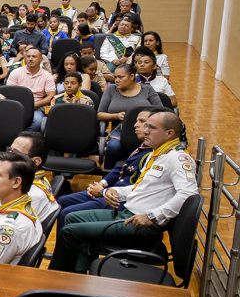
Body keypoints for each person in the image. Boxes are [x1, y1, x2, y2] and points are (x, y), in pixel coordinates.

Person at [49, 111, 195, 274]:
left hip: (141, 226)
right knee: (71, 217)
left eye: (151, 128)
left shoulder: (178, 159)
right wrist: (111, 191)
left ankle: (56, 276)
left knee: (70, 232)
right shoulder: (156, 155)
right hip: (126, 214)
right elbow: (139, 189)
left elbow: (188, 195)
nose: (145, 131)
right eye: (145, 126)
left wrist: (152, 216)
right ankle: (79, 273)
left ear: (169, 134)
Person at [55, 109, 156, 231]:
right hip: (109, 191)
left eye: (141, 121)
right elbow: (121, 168)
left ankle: (71, 248)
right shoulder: (143, 147)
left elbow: (136, 188)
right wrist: (102, 184)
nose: (135, 125)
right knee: (62, 200)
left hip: (118, 200)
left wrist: (103, 191)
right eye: (136, 121)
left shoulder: (152, 154)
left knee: (67, 213)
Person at [98, 62, 162, 168]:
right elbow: (99, 114)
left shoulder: (147, 89)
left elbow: (161, 111)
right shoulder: (111, 89)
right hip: (120, 130)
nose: (116, 80)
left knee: (149, 149)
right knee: (113, 147)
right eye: (115, 77)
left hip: (146, 129)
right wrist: (116, 116)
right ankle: (107, 177)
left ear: (132, 76)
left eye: (120, 77)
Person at [10, 132, 59, 222]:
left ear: (36, 161)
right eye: (10, 150)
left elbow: (11, 229)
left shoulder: (30, 195)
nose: (8, 157)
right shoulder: (33, 179)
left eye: (15, 153)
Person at [6, 47, 55, 130]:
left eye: (34, 56)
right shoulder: (16, 72)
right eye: (28, 56)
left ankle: (22, 139)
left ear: (41, 59)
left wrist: (33, 105)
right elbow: (9, 93)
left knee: (38, 121)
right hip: (16, 106)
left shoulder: (47, 76)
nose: (30, 59)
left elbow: (51, 97)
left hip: (36, 108)